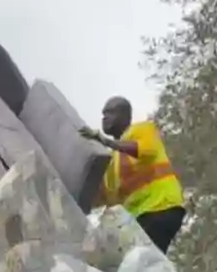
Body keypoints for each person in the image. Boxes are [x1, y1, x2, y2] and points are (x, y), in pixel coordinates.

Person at [79, 96, 186, 254]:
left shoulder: (143, 130)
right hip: (141, 217)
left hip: (162, 207)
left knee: (142, 260)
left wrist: (105, 141)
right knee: (137, 262)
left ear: (125, 115)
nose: (105, 118)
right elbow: (100, 197)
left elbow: (140, 149)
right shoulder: (112, 162)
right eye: (103, 114)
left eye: (111, 113)